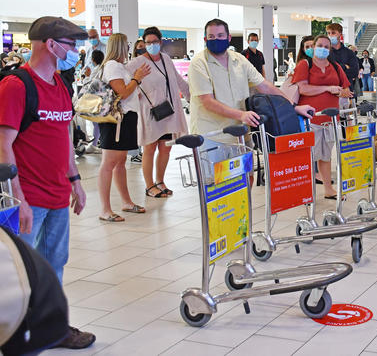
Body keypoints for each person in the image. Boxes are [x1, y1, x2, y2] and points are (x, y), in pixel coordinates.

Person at [0, 16, 96, 349]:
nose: (75, 51)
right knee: (21, 269)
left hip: (57, 194)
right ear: (50, 44)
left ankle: (49, 327)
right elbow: (4, 145)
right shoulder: (16, 86)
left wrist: (75, 180)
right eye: (71, 44)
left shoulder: (60, 85)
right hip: (28, 197)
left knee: (54, 264)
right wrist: (18, 199)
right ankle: (16, 330)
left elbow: (64, 138)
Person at [187, 19, 313, 152]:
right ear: (205, 39)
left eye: (220, 36)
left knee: (247, 173)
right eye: (211, 37)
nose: (216, 39)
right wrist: (241, 115)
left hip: (241, 135)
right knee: (217, 173)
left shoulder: (239, 60)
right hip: (213, 138)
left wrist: (292, 107)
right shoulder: (199, 63)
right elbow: (207, 101)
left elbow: (265, 86)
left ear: (228, 38)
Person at [128, 27, 190, 199]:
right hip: (150, 113)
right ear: (144, 43)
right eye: (148, 43)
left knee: (165, 149)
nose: (152, 45)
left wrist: (192, 97)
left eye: (155, 42)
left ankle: (160, 181)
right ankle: (149, 186)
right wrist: (136, 88)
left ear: (160, 42)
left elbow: (178, 81)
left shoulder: (166, 59)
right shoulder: (137, 63)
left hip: (168, 111)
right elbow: (126, 84)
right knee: (149, 148)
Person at [97, 33, 151, 222]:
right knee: (109, 163)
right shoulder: (112, 66)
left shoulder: (119, 67)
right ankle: (105, 209)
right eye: (126, 45)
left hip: (126, 119)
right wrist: (137, 79)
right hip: (115, 121)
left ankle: (126, 201)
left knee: (120, 162)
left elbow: (128, 92)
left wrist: (135, 83)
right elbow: (123, 93)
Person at [292, 35, 352, 198]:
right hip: (311, 119)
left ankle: (328, 189)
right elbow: (303, 89)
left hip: (331, 120)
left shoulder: (335, 66)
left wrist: (342, 92)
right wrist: (327, 88)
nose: (323, 49)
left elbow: (345, 88)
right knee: (307, 156)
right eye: (320, 45)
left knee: (326, 156)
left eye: (326, 46)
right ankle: (304, 191)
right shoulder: (305, 64)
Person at [326, 23, 359, 94]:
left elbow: (354, 72)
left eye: (333, 33)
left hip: (347, 92)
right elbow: (325, 72)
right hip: (330, 92)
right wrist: (344, 66)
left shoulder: (349, 53)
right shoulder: (325, 53)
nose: (330, 35)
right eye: (328, 33)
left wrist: (334, 70)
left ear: (340, 34)